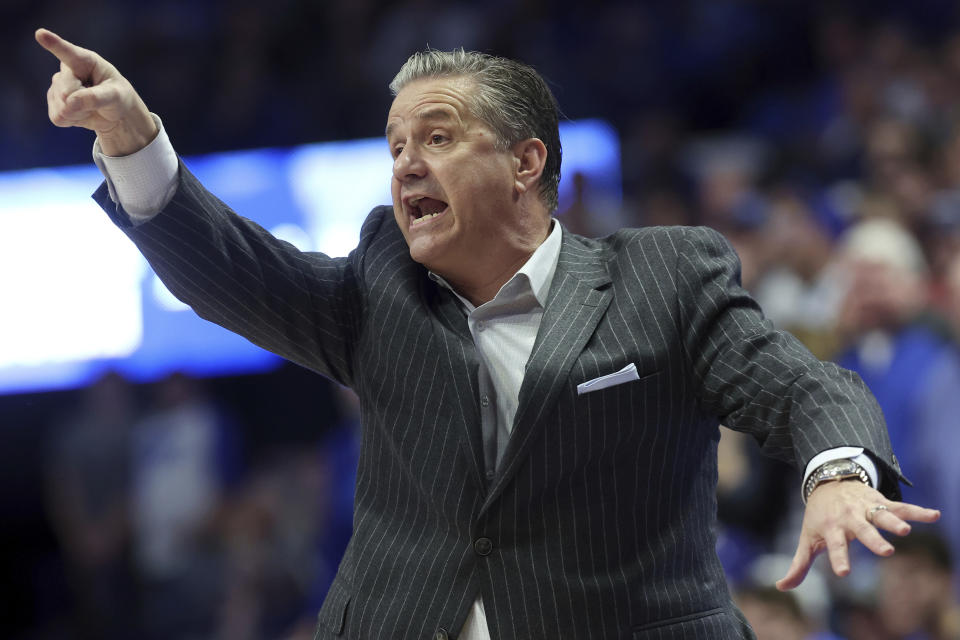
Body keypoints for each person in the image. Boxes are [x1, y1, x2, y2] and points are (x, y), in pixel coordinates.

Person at [35, 28, 940, 640]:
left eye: (436, 136)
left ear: (525, 162)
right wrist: (131, 136)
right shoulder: (380, 288)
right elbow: (236, 271)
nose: (406, 165)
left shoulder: (664, 276)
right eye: (395, 148)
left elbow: (803, 385)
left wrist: (837, 473)